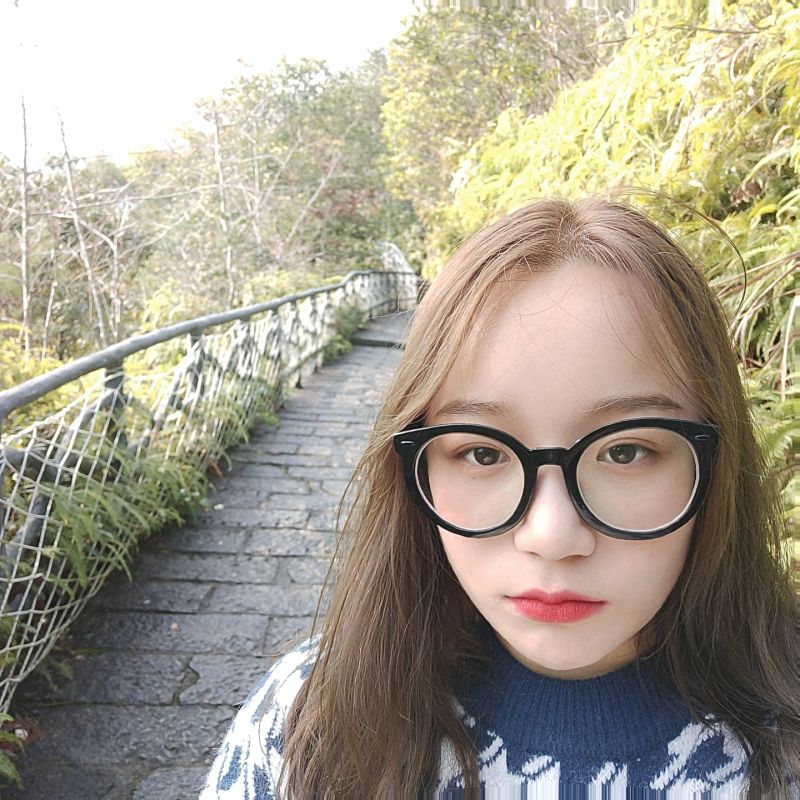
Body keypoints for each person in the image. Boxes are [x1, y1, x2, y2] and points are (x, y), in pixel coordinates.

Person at [201, 197, 799, 798]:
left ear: (716, 461)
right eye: (483, 454)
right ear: (414, 468)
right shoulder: (307, 725)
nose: (552, 536)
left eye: (625, 451)